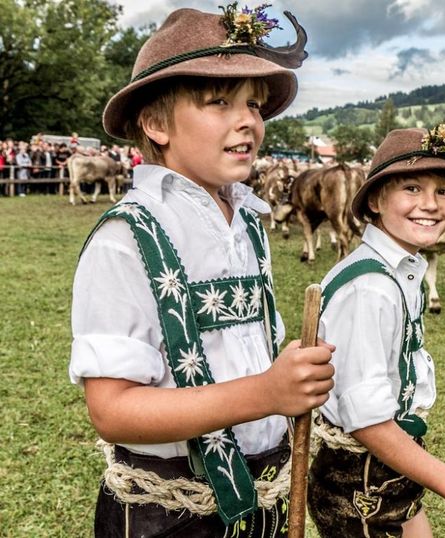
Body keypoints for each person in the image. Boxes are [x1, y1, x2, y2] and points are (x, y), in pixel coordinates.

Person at [68, 5, 334, 536]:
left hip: (262, 498)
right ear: (155, 123)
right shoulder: (127, 238)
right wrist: (265, 393)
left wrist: (290, 368)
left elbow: (247, 350)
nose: (248, 121)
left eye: (255, 105)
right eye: (219, 102)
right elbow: (113, 411)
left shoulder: (248, 223)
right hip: (167, 515)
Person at [308, 125, 445, 538]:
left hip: (389, 466)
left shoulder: (399, 271)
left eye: (443, 190)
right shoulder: (370, 288)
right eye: (412, 188)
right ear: (375, 199)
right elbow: (367, 421)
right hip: (361, 478)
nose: (431, 204)